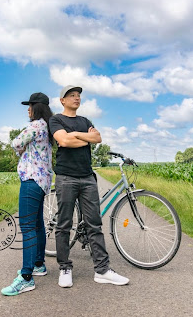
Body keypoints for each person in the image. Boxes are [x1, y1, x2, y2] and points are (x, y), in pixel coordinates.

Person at [49, 85, 129, 288]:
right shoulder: (56, 120)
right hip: (66, 177)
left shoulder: (85, 121)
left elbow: (98, 138)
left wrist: (75, 134)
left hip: (87, 178)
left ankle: (102, 270)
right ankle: (65, 267)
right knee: (64, 224)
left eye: (78, 95)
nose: (76, 98)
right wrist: (85, 138)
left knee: (94, 224)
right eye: (71, 96)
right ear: (62, 101)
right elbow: (64, 142)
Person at [1, 92, 54, 296]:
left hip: (31, 180)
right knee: (37, 224)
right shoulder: (47, 126)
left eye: (30, 105)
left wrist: (20, 149)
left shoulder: (36, 125)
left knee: (27, 227)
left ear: (37, 107)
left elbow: (16, 142)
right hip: (42, 181)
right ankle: (38, 264)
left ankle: (26, 277)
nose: (27, 109)